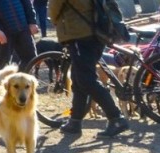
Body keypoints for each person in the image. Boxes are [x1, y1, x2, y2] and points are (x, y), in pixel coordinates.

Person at [47, 0, 128, 137]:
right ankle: (75, 121)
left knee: (86, 79)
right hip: (97, 32)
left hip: (80, 32)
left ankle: (116, 118)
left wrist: (54, 20)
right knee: (79, 78)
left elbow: (55, 7)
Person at [0, 0, 40, 70]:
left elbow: (27, 3)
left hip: (23, 28)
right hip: (2, 33)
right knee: (4, 66)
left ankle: (19, 79)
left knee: (31, 59)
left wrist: (32, 22)